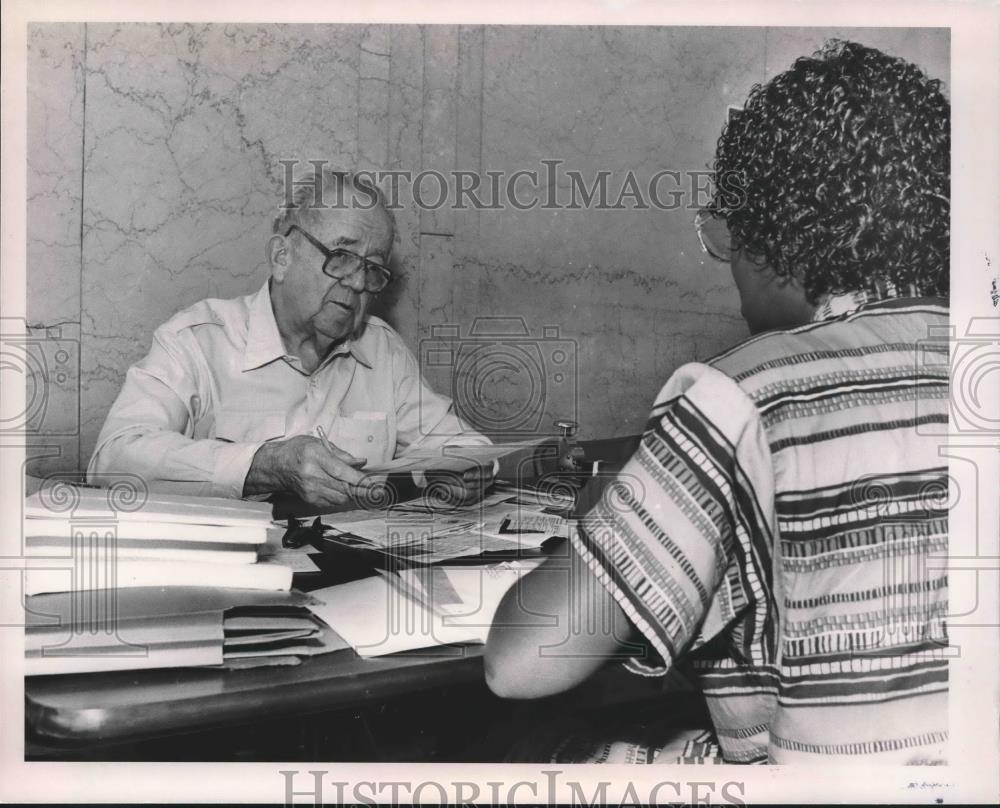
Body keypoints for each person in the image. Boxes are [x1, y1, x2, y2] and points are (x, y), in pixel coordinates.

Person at [485, 40, 950, 764]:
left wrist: (614, 529)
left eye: (727, 231)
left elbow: (522, 663)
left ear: (776, 235)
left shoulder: (741, 392)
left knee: (530, 752)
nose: (728, 263)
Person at [88, 169, 491, 509]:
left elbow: (464, 446)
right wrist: (263, 464)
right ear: (282, 257)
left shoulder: (382, 350)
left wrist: (467, 470)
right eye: (342, 257)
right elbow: (114, 458)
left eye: (373, 269)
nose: (356, 283)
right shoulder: (197, 340)